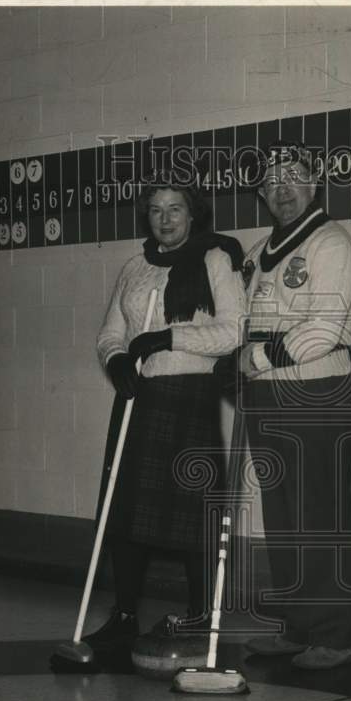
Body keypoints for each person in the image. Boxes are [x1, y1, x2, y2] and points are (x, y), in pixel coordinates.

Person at [84, 176, 247, 646]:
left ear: (193, 213)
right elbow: (109, 332)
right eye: (156, 210)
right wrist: (116, 361)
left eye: (175, 209)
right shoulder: (135, 267)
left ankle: (199, 615)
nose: (165, 219)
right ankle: (126, 615)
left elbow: (234, 330)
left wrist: (167, 337)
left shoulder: (216, 259)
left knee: (192, 512)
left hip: (189, 394)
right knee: (126, 510)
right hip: (138, 397)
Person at [222, 140, 351, 670]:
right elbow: (241, 321)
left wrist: (255, 356)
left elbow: (325, 329)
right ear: (260, 192)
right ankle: (298, 626)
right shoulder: (259, 251)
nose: (282, 188)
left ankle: (334, 635)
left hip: (317, 395)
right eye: (271, 181)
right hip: (265, 395)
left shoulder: (332, 245)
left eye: (292, 176)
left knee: (318, 516)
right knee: (282, 516)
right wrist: (229, 360)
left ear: (313, 182)